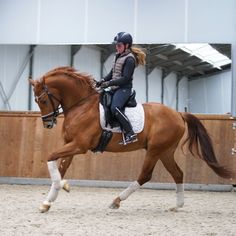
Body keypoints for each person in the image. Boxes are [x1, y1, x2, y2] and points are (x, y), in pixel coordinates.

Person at [97, 32, 146, 144]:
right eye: (116, 45)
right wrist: (103, 81)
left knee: (115, 108)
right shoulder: (118, 56)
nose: (117, 47)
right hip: (115, 88)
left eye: (119, 45)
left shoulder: (130, 59)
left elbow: (125, 78)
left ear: (127, 45)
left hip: (124, 88)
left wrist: (109, 83)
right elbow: (112, 73)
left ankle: (130, 133)